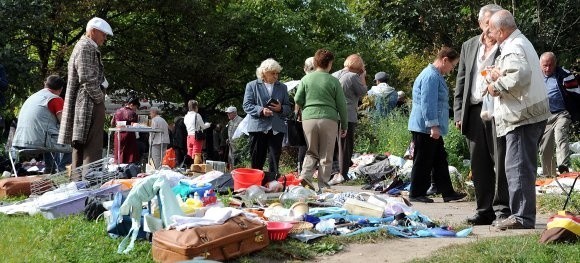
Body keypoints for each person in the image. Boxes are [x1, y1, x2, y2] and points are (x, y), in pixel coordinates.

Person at [486, 10, 550, 230]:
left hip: (522, 117)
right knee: (519, 166)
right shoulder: (520, 42)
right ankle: (521, 214)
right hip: (528, 114)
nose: (490, 34)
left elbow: (520, 76)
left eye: (492, 30)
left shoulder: (513, 47)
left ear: (501, 31)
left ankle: (522, 217)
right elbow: (519, 72)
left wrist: (496, 87)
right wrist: (500, 73)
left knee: (518, 167)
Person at [453, 4, 510, 225]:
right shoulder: (468, 46)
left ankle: (502, 208)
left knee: (501, 160)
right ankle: (484, 209)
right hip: (475, 110)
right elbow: (461, 81)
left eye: (495, 24)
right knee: (479, 163)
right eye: (488, 23)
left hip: (499, 109)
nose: (492, 28)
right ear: (480, 24)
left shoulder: (507, 45)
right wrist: (459, 112)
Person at [407, 47, 466, 203]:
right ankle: (416, 193)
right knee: (423, 160)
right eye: (452, 65)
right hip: (425, 127)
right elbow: (428, 102)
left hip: (428, 126)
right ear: (445, 59)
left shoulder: (434, 75)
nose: (451, 69)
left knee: (439, 159)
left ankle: (447, 192)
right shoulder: (431, 76)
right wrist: (433, 125)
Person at [58, 17, 113, 171]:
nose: (105, 38)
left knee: (81, 142)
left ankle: (80, 181)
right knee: (92, 144)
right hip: (89, 101)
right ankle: (90, 181)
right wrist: (99, 98)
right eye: (104, 34)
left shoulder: (84, 46)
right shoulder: (86, 47)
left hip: (86, 100)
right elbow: (86, 77)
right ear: (93, 31)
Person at [294, 49, 348, 191]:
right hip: (329, 119)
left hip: (309, 119)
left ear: (315, 62)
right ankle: (323, 185)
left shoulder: (306, 79)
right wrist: (344, 124)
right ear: (329, 63)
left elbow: (297, 99)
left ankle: (305, 178)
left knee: (311, 151)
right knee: (326, 154)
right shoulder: (334, 81)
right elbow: (342, 105)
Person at [242, 58, 291, 179]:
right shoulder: (252, 85)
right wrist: (261, 110)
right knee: (257, 158)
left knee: (275, 159)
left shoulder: (283, 87)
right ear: (264, 73)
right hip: (258, 127)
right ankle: (255, 183)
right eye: (273, 73)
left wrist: (280, 108)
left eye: (277, 73)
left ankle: (273, 183)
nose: (276, 76)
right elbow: (246, 105)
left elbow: (288, 108)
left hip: (277, 126)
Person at [12, 75, 72, 173]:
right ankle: (62, 172)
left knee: (50, 137)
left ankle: (50, 171)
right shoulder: (55, 99)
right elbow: (65, 124)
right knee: (74, 145)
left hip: (18, 143)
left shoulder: (32, 97)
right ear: (61, 89)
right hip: (38, 143)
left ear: (45, 84)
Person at [538, 52, 578, 176]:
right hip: (545, 115)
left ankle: (563, 169)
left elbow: (576, 93)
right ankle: (548, 174)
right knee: (545, 146)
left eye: (550, 65)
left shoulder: (564, 75)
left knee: (560, 134)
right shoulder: (535, 76)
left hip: (562, 113)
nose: (548, 68)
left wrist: (574, 111)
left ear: (555, 64)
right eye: (545, 65)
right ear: (540, 65)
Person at [332, 54, 367, 181]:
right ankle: (343, 173)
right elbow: (363, 92)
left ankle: (334, 172)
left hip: (332, 113)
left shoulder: (334, 74)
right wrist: (362, 76)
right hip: (348, 114)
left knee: (334, 145)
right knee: (345, 146)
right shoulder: (353, 76)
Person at [111, 98, 140, 164]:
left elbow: (112, 123)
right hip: (129, 136)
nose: (135, 109)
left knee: (118, 156)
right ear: (131, 105)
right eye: (136, 107)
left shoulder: (117, 111)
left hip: (118, 135)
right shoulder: (133, 113)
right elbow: (134, 124)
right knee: (129, 158)